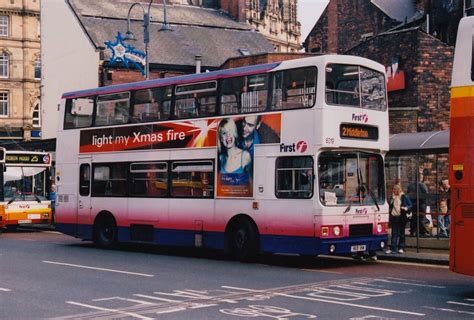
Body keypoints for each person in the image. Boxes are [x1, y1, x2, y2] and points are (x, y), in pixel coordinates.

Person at [386, 184, 413, 254]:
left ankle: (401, 247)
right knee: (394, 233)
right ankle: (393, 248)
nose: (393, 191)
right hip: (394, 217)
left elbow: (410, 205)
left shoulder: (404, 197)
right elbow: (391, 205)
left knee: (401, 233)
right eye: (393, 190)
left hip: (401, 217)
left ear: (398, 190)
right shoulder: (393, 197)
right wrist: (392, 199)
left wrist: (405, 208)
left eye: (394, 190)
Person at [407, 169, 429, 237]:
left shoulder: (410, 185)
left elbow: (408, 194)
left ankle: (413, 231)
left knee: (414, 218)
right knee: (421, 218)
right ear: (420, 177)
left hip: (413, 204)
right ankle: (421, 232)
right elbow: (426, 195)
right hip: (421, 204)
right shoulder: (422, 185)